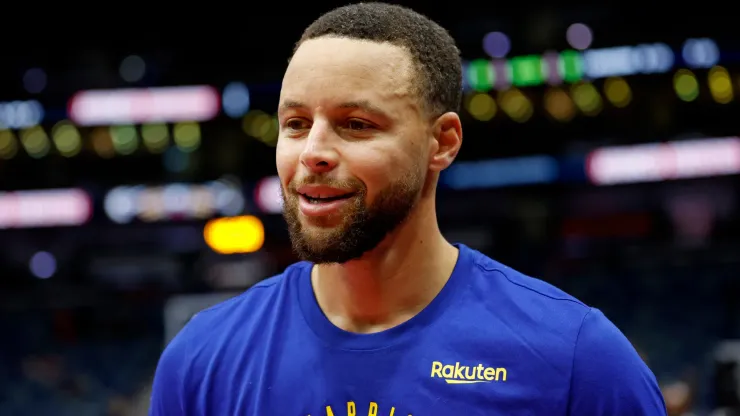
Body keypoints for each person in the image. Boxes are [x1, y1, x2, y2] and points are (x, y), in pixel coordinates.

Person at [149, 3, 667, 415]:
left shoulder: (577, 359)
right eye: (296, 123)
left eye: (356, 124)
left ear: (441, 142)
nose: (312, 152)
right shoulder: (202, 361)